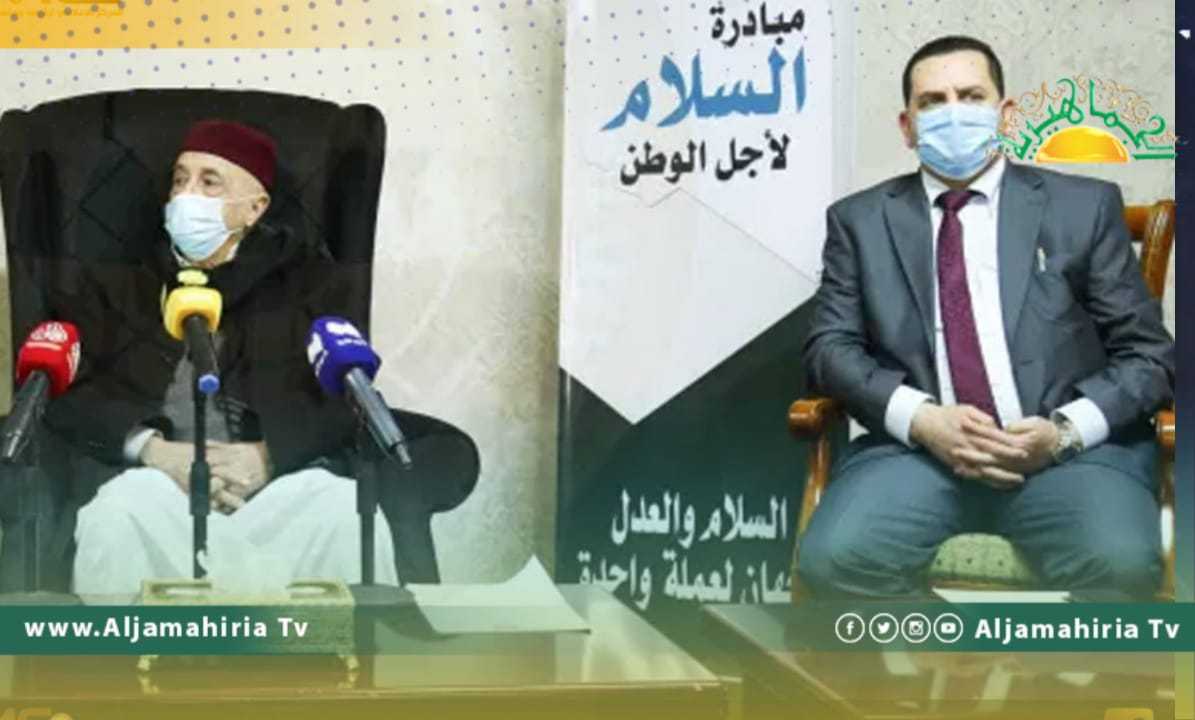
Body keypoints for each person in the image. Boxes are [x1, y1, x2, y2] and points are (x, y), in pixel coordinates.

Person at [797, 36, 1174, 599]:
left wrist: (1063, 433)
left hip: (1068, 460)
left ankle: (1036, 662)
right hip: (916, 457)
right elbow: (829, 350)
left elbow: (1150, 356)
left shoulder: (1083, 207)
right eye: (932, 101)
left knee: (1120, 563)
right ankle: (950, 657)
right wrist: (922, 420)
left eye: (971, 96)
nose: (952, 113)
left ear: (1006, 113)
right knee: (835, 559)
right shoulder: (860, 222)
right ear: (907, 126)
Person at [37, 119, 398, 595]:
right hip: (158, 490)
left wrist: (269, 456)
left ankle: (336, 648)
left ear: (255, 208)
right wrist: (152, 450)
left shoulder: (312, 286)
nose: (186, 195)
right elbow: (69, 394)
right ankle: (129, 650)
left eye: (209, 182)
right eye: (179, 180)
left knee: (343, 510)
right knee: (117, 512)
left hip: (273, 492)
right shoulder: (116, 286)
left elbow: (345, 400)